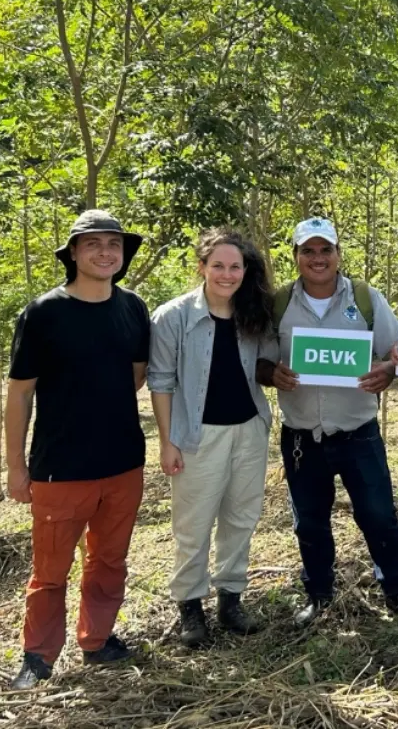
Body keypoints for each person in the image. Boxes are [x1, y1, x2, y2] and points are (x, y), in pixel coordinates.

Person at [5, 210, 151, 690]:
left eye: (114, 244)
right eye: (93, 244)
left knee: (109, 559)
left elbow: (136, 375)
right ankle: (39, 655)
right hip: (59, 469)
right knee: (50, 570)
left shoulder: (132, 307)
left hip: (123, 461)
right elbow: (21, 392)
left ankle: (97, 639)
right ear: (72, 253)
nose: (106, 251)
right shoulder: (44, 313)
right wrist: (15, 467)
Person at [260, 217, 398, 626]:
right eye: (308, 251)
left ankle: (397, 590)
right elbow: (260, 360)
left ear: (338, 253)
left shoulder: (366, 299)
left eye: (325, 250)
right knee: (309, 521)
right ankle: (318, 594)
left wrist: (388, 371)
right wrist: (271, 373)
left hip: (358, 434)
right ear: (296, 256)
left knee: (378, 514)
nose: (318, 258)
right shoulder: (278, 304)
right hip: (301, 437)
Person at [148, 228, 276, 648]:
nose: (226, 274)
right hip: (196, 437)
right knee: (193, 525)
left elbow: (268, 365)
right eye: (217, 265)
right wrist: (167, 441)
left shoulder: (254, 312)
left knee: (241, 519)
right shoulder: (174, 317)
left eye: (234, 266)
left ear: (245, 270)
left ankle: (231, 600)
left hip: (248, 431)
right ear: (201, 267)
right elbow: (161, 381)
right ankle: (190, 606)